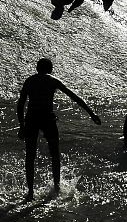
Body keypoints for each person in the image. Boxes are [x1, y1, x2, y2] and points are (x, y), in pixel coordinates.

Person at [17, 58, 101, 201]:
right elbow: (75, 97)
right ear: (50, 69)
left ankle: (30, 192)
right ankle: (56, 188)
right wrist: (91, 113)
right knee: (55, 154)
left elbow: (20, 104)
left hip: (31, 119)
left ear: (37, 68)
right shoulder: (53, 80)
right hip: (47, 119)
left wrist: (22, 125)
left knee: (30, 156)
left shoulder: (29, 81)